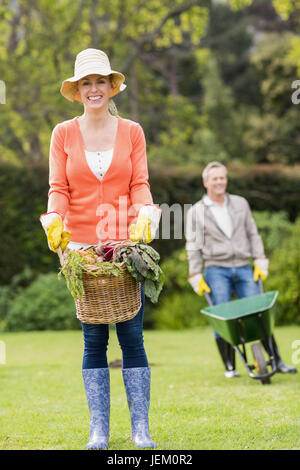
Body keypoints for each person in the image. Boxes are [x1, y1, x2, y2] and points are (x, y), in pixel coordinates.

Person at [40, 48, 161, 449]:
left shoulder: (132, 131)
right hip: (82, 248)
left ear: (112, 87)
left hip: (124, 246)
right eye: (86, 83)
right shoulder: (63, 134)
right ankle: (99, 432)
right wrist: (55, 221)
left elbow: (139, 182)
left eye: (100, 81)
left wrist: (145, 211)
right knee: (93, 339)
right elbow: (59, 189)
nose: (94, 89)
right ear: (77, 91)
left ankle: (140, 430)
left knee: (132, 335)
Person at [185, 161, 297, 378]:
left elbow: (252, 233)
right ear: (206, 182)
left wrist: (260, 259)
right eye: (215, 178)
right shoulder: (196, 212)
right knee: (222, 316)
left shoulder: (240, 203)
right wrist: (196, 273)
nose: (219, 182)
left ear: (226, 180)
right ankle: (230, 366)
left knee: (260, 315)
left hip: (244, 266)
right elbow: (193, 245)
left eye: (222, 177)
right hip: (217, 269)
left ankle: (277, 361)